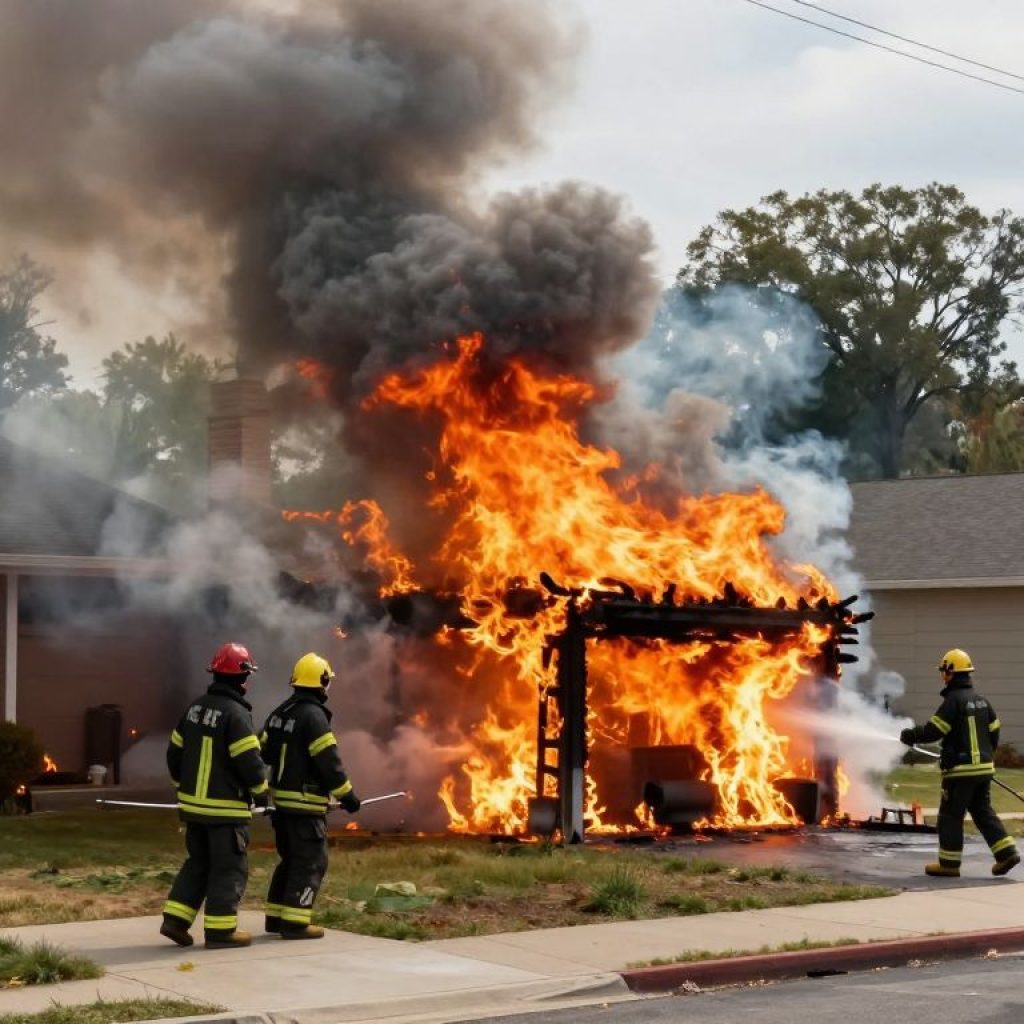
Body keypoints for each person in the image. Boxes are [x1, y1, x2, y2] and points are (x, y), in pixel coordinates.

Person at [160, 642, 269, 949]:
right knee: (229, 868)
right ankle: (221, 931)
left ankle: (175, 921)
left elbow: (174, 753)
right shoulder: (236, 714)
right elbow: (249, 762)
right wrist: (261, 793)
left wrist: (182, 786)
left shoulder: (194, 708)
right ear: (242, 677)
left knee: (198, 862)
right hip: (225, 812)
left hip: (193, 809)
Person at [260, 652, 361, 939]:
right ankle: (295, 923)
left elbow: (262, 751)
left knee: (290, 860)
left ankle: (275, 918)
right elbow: (328, 762)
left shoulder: (280, 712)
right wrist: (348, 795)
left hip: (282, 805)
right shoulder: (314, 717)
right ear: (322, 681)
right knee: (311, 862)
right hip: (305, 806)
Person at [900, 648, 1020, 878]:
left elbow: (935, 730)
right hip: (983, 769)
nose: (942, 676)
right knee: (983, 812)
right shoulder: (982, 701)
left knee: (950, 815)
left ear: (950, 672)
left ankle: (949, 864)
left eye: (943, 671)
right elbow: (994, 731)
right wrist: (985, 757)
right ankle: (1007, 854)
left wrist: (911, 735)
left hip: (960, 772)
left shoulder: (953, 701)